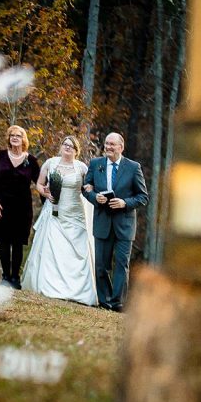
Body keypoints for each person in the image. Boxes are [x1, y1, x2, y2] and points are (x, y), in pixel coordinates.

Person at [21, 136, 97, 306]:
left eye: (71, 146)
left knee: (76, 251)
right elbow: (39, 184)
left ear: (77, 151)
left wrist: (90, 188)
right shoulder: (51, 163)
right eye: (65, 144)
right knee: (50, 249)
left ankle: (77, 291)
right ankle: (49, 286)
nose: (67, 148)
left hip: (75, 215)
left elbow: (89, 186)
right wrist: (46, 193)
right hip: (54, 214)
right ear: (61, 146)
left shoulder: (82, 168)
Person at [81, 132, 149, 312]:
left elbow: (143, 197)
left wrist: (125, 203)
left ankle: (117, 302)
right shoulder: (96, 164)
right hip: (102, 222)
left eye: (112, 144)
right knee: (102, 265)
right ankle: (104, 301)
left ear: (121, 147)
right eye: (106, 144)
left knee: (121, 264)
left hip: (124, 224)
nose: (108, 147)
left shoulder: (133, 167)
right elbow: (86, 188)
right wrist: (96, 197)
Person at [0, 125, 41, 289]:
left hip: (22, 208)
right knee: (3, 242)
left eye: (18, 135)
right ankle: (5, 277)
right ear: (9, 138)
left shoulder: (30, 160)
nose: (15, 138)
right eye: (12, 135)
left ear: (23, 139)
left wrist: (53, 194)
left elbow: (40, 182)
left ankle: (15, 279)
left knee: (17, 243)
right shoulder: (2, 156)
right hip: (2, 205)